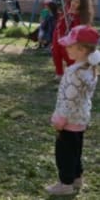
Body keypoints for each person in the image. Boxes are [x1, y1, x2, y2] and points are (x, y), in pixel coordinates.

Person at [45, 25, 100, 196]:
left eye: (70, 46)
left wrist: (59, 119)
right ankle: (77, 177)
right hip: (80, 119)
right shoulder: (90, 69)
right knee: (76, 151)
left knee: (64, 154)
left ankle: (65, 184)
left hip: (68, 121)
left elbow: (69, 100)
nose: (66, 48)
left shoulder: (74, 72)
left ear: (82, 49)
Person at [51, 0, 94, 79]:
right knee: (56, 53)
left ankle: (74, 71)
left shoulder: (81, 16)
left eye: (77, 2)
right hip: (57, 35)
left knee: (68, 55)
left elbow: (78, 29)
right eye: (73, 0)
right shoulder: (67, 7)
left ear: (82, 5)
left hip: (68, 39)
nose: (73, 3)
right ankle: (59, 73)